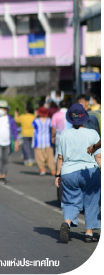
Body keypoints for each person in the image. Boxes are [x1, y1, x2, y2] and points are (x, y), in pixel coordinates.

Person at [54, 103, 101, 243]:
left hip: (68, 172)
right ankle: (89, 233)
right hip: (89, 171)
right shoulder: (92, 133)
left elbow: (60, 157)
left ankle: (67, 223)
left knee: (70, 200)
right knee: (91, 201)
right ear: (85, 119)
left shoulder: (64, 134)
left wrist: (58, 175)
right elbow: (98, 156)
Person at [0, 100, 18, 185]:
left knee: (5, 160)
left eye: (2, 108)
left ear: (6, 109)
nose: (0, 109)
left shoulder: (10, 119)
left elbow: (14, 130)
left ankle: (3, 176)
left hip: (8, 142)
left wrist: (15, 142)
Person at [33, 107, 56, 176]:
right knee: (50, 156)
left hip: (38, 141)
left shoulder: (36, 121)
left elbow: (32, 125)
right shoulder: (49, 120)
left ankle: (42, 169)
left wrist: (35, 115)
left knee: (39, 156)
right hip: (48, 140)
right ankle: (52, 170)